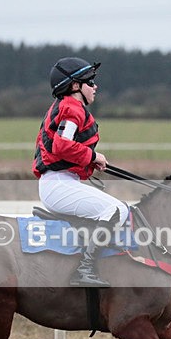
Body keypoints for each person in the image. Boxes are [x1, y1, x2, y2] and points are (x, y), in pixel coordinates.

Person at [32, 57, 129, 287]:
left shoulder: (68, 107)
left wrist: (89, 161)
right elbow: (62, 146)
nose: (95, 87)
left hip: (62, 182)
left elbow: (63, 147)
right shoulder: (71, 107)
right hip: (58, 185)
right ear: (75, 86)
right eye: (90, 81)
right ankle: (84, 269)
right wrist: (93, 156)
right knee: (117, 209)